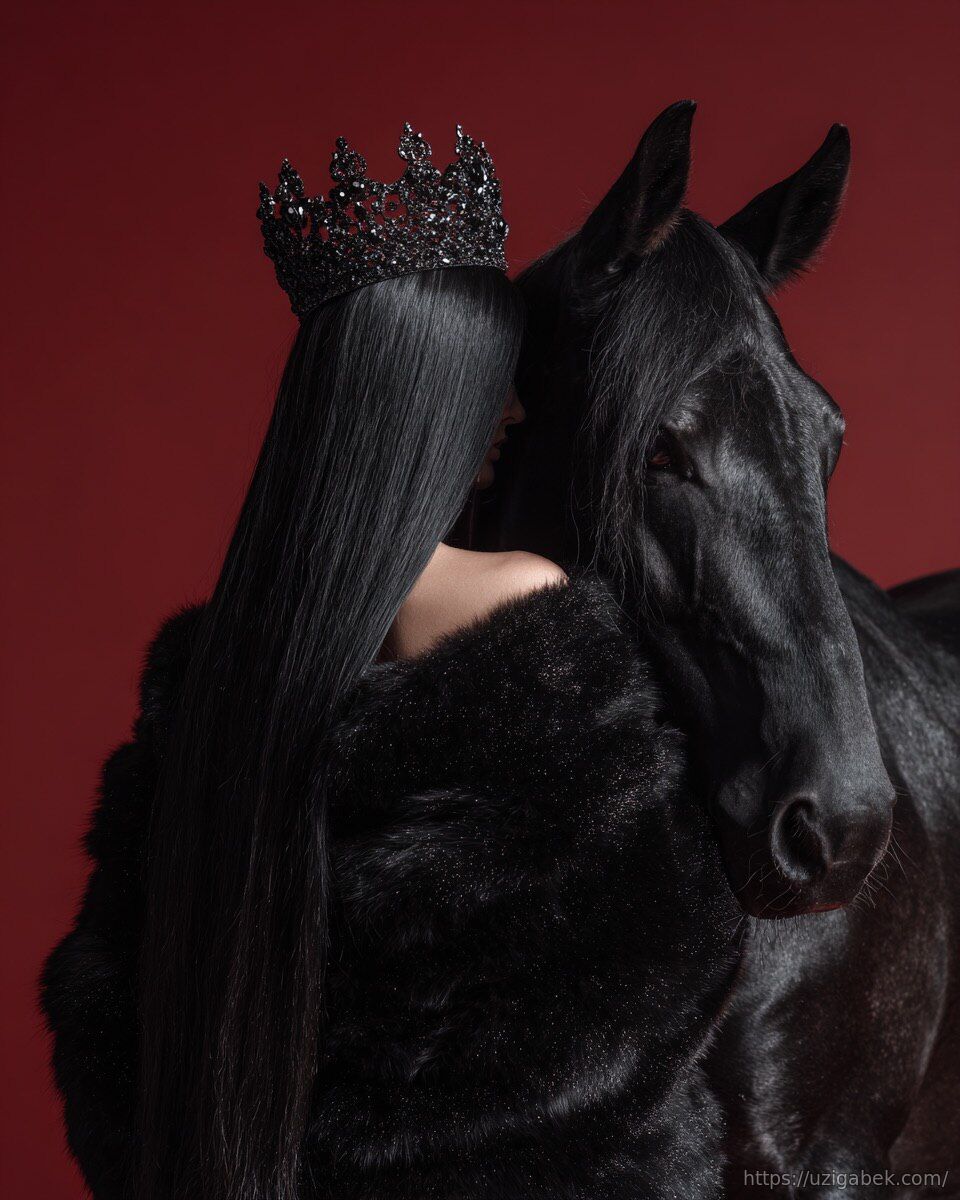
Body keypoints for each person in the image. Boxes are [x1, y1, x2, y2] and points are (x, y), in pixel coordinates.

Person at [40, 124, 737, 1200]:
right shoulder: (517, 596)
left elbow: (114, 1016)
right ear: (436, 403)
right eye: (497, 382)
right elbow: (643, 960)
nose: (516, 412)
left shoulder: (230, 665)